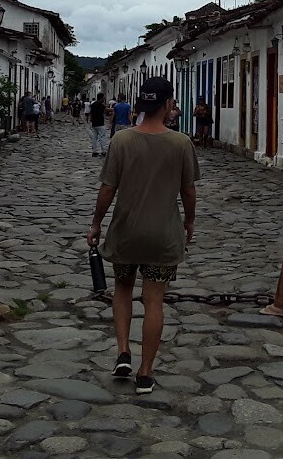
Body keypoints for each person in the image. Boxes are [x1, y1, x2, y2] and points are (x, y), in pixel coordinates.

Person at [86, 77, 199, 395]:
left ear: (139, 105)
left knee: (122, 291)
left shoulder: (122, 140)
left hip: (126, 233)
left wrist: (96, 224)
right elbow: (188, 191)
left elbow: (107, 189)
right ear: (167, 105)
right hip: (162, 236)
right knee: (154, 302)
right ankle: (146, 373)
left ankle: (123, 351)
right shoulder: (181, 143)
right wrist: (189, 222)